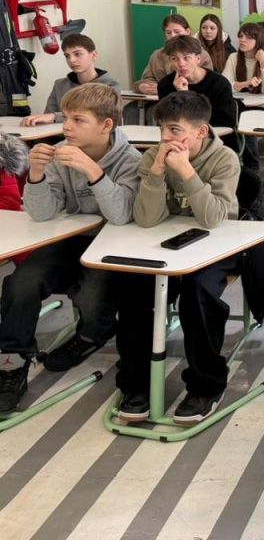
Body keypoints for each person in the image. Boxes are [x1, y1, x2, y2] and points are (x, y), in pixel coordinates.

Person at [0, 84, 141, 413]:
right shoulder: (60, 154)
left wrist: (93, 171)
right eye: (66, 118)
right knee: (21, 282)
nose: (66, 127)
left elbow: (121, 215)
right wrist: (36, 175)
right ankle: (11, 362)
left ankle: (93, 334)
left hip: (112, 244)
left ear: (106, 125)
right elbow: (42, 213)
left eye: (78, 120)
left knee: (92, 295)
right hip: (69, 239)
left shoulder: (131, 160)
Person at [116, 91, 242, 425]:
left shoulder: (224, 159)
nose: (165, 138)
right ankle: (136, 384)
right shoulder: (152, 156)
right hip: (165, 245)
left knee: (198, 296)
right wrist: (157, 171)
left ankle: (206, 386)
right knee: (133, 289)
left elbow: (213, 218)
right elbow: (147, 219)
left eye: (174, 130)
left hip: (217, 246)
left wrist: (186, 171)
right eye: (162, 130)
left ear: (201, 131)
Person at [19, 33, 121, 125]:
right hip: (60, 136)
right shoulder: (59, 84)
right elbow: (47, 117)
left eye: (77, 54)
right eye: (67, 56)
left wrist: (55, 117)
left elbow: (93, 115)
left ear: (93, 55)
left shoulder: (110, 86)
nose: (71, 60)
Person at [157, 35, 237, 150]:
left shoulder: (220, 83)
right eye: (174, 59)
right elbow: (167, 121)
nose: (181, 64)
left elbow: (225, 124)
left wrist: (185, 96)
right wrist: (181, 94)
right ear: (169, 61)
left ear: (198, 59)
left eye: (186, 58)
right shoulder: (165, 85)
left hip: (216, 142)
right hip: (177, 143)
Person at [133, 14, 213, 95]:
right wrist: (141, 87)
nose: (172, 36)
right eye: (168, 32)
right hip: (160, 99)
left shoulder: (201, 55)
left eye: (177, 32)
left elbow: (206, 84)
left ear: (187, 32)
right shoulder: (157, 55)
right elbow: (147, 78)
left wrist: (169, 89)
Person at [223, 22, 264, 95]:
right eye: (241, 36)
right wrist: (245, 84)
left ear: (259, 40)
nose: (242, 40)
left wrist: (263, 63)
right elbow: (224, 85)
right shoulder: (233, 57)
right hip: (243, 100)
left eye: (249, 37)